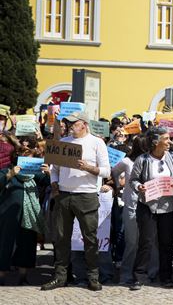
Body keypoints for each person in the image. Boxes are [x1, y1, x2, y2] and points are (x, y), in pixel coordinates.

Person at [42, 111, 111, 292]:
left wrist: (88, 167)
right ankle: (60, 277)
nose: (70, 126)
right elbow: (54, 169)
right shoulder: (63, 142)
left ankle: (93, 277)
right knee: (61, 238)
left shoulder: (97, 143)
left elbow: (106, 171)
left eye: (74, 123)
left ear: (84, 124)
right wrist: (54, 182)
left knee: (90, 238)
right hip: (64, 195)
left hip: (86, 196)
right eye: (68, 123)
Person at [129, 127, 173, 290]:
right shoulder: (142, 160)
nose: (169, 142)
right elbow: (133, 180)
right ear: (156, 142)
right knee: (146, 242)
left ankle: (166, 277)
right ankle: (139, 276)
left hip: (167, 206)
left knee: (166, 243)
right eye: (166, 139)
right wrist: (139, 187)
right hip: (147, 206)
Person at [110, 138, 156, 285]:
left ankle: (151, 272)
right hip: (132, 206)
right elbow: (114, 171)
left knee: (150, 241)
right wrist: (118, 186)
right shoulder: (126, 162)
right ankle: (126, 274)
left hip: (150, 205)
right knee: (132, 242)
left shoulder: (152, 161)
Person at [0, 149, 50, 285]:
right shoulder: (7, 170)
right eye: (26, 159)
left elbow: (48, 182)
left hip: (29, 216)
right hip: (8, 215)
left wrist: (48, 172)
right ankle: (1, 277)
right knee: (5, 244)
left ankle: (23, 277)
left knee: (27, 244)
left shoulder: (33, 174)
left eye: (32, 159)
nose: (29, 163)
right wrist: (10, 174)